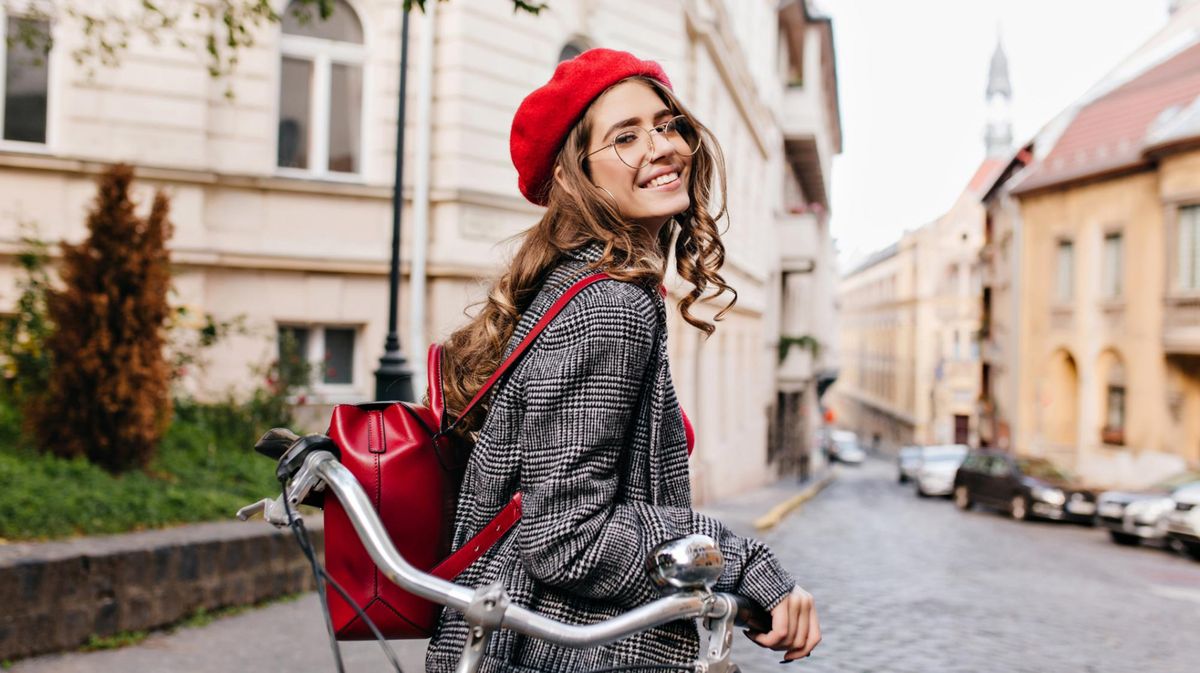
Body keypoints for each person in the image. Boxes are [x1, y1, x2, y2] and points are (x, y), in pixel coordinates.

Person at [426, 48, 820, 672]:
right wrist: (740, 563)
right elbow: (564, 537)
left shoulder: (573, 286)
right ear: (570, 177)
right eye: (626, 137)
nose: (663, 147)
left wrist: (709, 589)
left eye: (667, 125)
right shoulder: (610, 306)